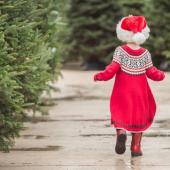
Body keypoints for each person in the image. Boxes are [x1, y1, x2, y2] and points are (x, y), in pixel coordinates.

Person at [93, 15, 165, 157]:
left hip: (122, 92)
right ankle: (136, 147)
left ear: (123, 33)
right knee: (139, 117)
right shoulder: (145, 53)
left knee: (120, 113)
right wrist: (161, 75)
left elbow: (112, 69)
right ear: (144, 33)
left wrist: (100, 76)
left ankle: (121, 132)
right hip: (140, 93)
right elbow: (152, 73)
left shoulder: (120, 51)